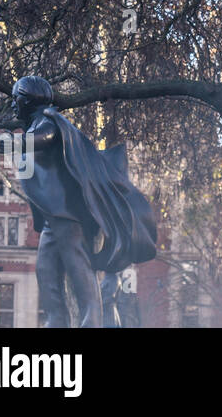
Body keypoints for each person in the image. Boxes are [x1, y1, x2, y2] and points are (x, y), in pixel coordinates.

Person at [12, 76, 157, 327]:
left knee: (80, 272)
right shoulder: (36, 124)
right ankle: (56, 322)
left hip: (69, 217)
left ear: (26, 100)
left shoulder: (49, 121)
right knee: (46, 273)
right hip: (53, 218)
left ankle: (92, 323)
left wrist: (3, 143)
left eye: (15, 100)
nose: (13, 106)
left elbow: (41, 139)